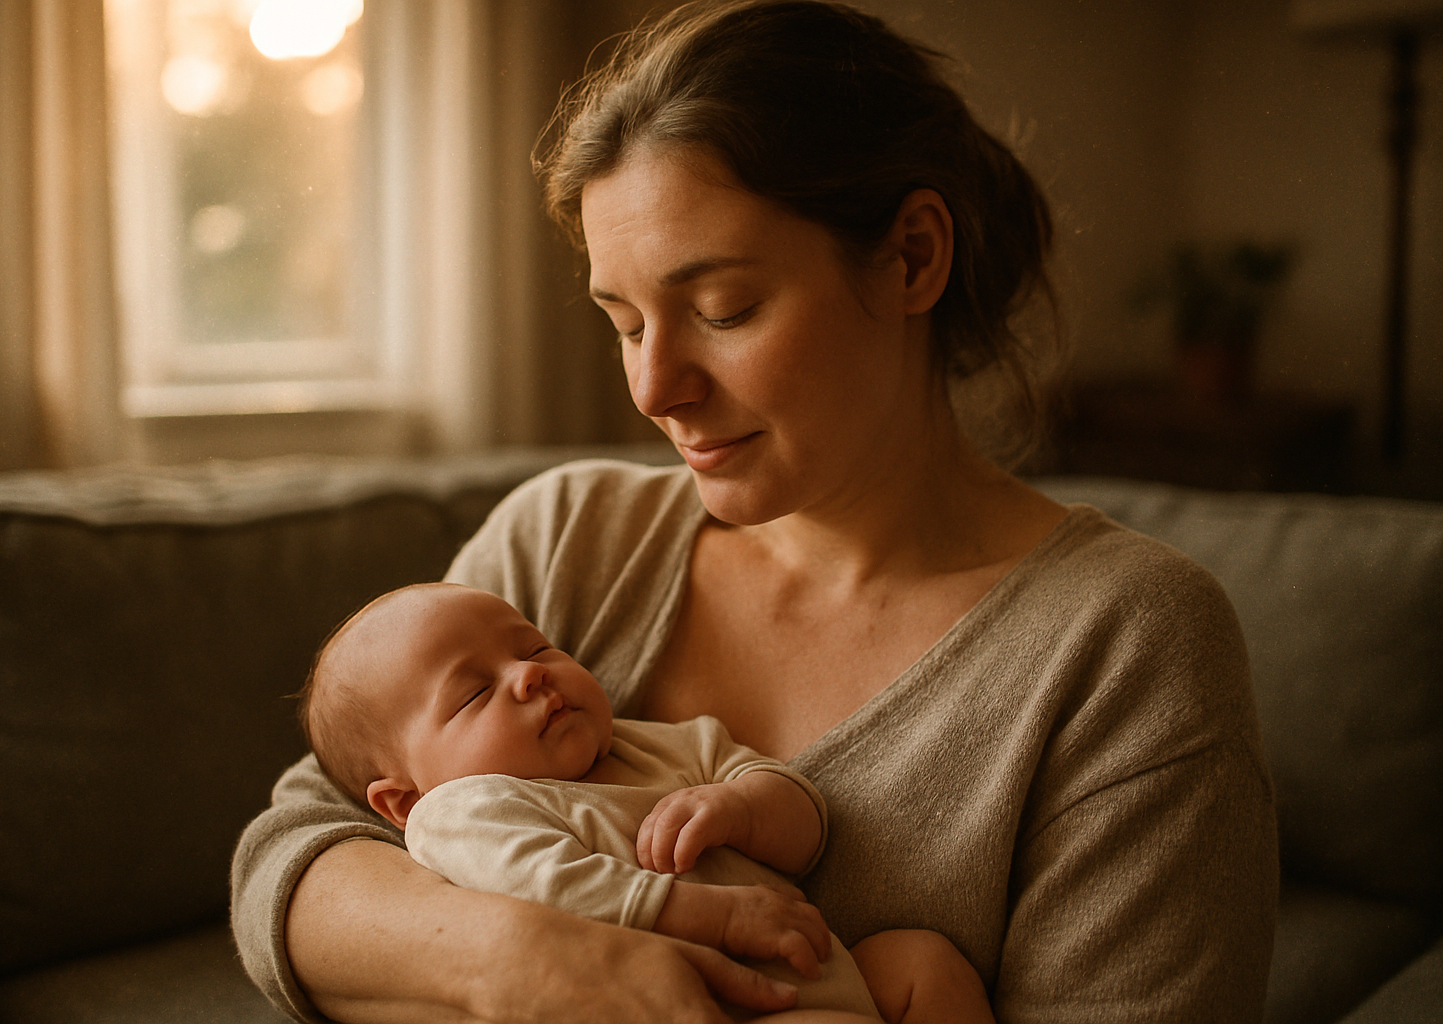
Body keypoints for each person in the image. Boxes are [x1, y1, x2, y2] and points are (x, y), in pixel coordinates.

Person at [230, 2, 1279, 1022]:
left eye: (722, 309)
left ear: (913, 255)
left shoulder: (1124, 643)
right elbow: (296, 855)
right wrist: (526, 960)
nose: (653, 388)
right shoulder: (569, 540)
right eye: (626, 322)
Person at [296, 581, 978, 1022]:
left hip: (826, 967)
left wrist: (745, 806)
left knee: (923, 961)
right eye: (475, 693)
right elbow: (546, 887)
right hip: (713, 1001)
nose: (529, 674)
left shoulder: (665, 745)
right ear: (403, 799)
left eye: (534, 647)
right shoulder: (462, 811)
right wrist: (712, 914)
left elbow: (804, 823)